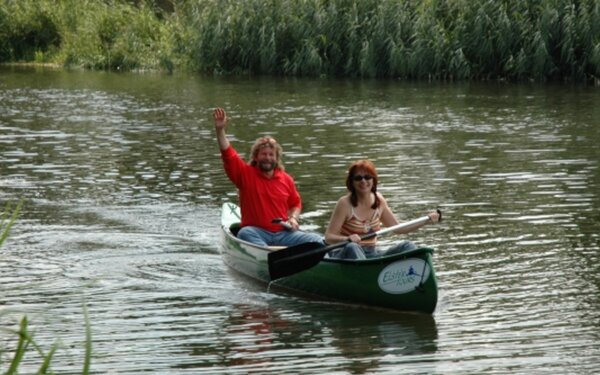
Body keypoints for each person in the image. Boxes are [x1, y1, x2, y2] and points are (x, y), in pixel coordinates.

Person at [213, 107, 323, 247]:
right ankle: (267, 255)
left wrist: (293, 218)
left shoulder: (286, 179)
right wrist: (220, 130)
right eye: (263, 154)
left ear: (276, 159)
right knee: (244, 232)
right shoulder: (244, 174)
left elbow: (295, 203)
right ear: (256, 157)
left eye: (271, 155)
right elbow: (228, 154)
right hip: (256, 232)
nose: (267, 158)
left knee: (317, 240)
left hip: (284, 234)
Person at [324, 160, 440, 259]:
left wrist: (426, 221)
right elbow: (329, 237)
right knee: (353, 247)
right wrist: (347, 239)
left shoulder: (379, 200)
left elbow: (399, 229)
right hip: (344, 253)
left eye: (367, 177)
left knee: (407, 246)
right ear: (352, 182)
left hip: (372, 253)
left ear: (373, 180)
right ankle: (368, 278)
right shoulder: (344, 203)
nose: (363, 181)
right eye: (358, 178)